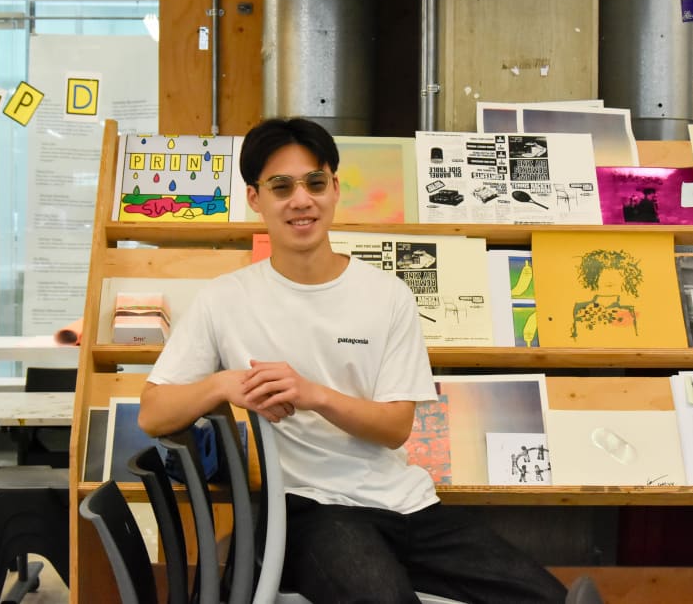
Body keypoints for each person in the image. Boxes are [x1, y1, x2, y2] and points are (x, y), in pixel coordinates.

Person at [138, 117, 581, 604]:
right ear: (254, 198)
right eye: (281, 186)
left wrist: (313, 395)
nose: (301, 200)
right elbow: (154, 411)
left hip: (407, 504)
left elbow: (395, 427)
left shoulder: (387, 295)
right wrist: (223, 385)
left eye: (314, 182)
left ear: (334, 188)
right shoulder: (224, 300)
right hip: (309, 512)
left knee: (548, 597)